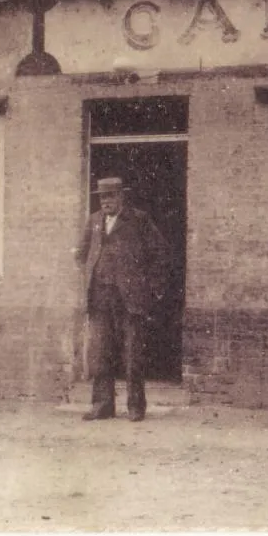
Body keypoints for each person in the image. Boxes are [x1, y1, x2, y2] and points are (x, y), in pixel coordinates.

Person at [74, 177, 168, 422]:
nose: (106, 201)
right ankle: (102, 405)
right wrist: (90, 277)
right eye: (102, 197)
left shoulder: (138, 219)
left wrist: (150, 287)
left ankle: (136, 407)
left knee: (132, 353)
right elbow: (81, 253)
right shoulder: (94, 221)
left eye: (111, 196)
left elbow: (160, 253)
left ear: (121, 197)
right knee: (100, 352)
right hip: (100, 297)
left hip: (130, 298)